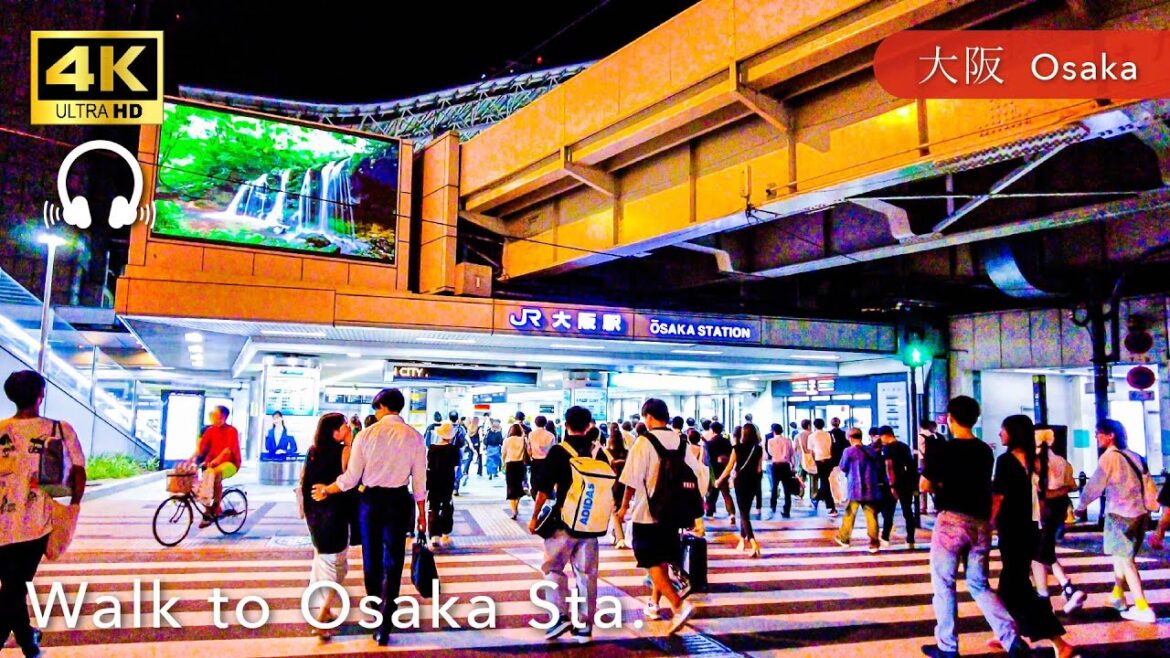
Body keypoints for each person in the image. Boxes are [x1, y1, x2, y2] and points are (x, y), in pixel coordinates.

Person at [311, 388, 426, 647]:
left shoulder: (366, 434)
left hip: (371, 502)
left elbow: (351, 479)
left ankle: (375, 610)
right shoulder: (415, 437)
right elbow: (419, 479)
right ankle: (386, 623)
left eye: (377, 408)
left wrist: (328, 489)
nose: (376, 412)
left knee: (371, 559)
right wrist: (421, 513)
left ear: (383, 406)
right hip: (399, 501)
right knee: (394, 561)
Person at [920, 396, 1029, 658]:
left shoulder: (943, 450)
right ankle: (1011, 638)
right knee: (979, 584)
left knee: (944, 584)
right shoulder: (984, 450)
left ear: (950, 418)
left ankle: (947, 646)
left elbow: (924, 485)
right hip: (980, 523)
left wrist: (939, 486)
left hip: (951, 522)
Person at [0, 370, 86, 658]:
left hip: (0, 522)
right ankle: (29, 644)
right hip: (36, 521)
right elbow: (78, 473)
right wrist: (72, 506)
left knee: (12, 586)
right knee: (15, 587)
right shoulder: (58, 429)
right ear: (41, 395)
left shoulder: (0, 429)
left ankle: (28, 640)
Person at [991, 416, 1077, 658]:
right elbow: (1042, 496)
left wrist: (987, 525)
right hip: (1030, 528)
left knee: (1015, 588)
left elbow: (998, 497)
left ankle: (1059, 643)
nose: (1000, 434)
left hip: (1011, 529)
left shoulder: (1005, 461)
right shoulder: (1034, 462)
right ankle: (1008, 634)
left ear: (1013, 433)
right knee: (1012, 584)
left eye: (1003, 429)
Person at [616, 398, 702, 635]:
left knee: (650, 560)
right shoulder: (681, 441)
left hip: (647, 513)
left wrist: (623, 509)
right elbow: (697, 475)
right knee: (662, 559)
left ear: (650, 417)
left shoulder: (644, 442)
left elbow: (631, 480)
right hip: (673, 514)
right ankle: (653, 604)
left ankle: (678, 605)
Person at [529, 406, 610, 643]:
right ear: (589, 426)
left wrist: (534, 518)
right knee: (587, 575)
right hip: (591, 524)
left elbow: (543, 489)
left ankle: (560, 616)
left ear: (566, 425)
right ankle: (584, 628)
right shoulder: (598, 452)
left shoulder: (559, 451)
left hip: (563, 522)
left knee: (553, 568)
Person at [1074, 418, 1157, 624]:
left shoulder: (1109, 457)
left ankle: (1142, 607)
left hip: (1120, 514)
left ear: (1110, 435)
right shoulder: (1135, 456)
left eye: (1098, 433)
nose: (1095, 436)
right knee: (1120, 557)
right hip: (1140, 514)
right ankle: (1117, 595)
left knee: (1126, 561)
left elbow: (1094, 486)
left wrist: (1080, 507)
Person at [300, 412, 358, 638]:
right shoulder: (345, 452)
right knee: (336, 565)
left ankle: (323, 610)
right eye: (345, 426)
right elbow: (351, 481)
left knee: (326, 563)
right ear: (335, 431)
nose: (348, 429)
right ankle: (322, 615)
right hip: (336, 516)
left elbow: (304, 482)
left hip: (316, 517)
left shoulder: (312, 452)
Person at [1032, 432, 1086, 613]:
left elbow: (1036, 491)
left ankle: (1044, 599)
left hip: (1041, 511)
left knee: (1038, 553)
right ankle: (1068, 588)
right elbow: (1072, 485)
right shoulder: (1062, 461)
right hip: (1058, 510)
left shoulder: (1035, 462)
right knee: (1045, 551)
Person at [714, 422, 764, 557]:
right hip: (753, 482)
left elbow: (730, 466)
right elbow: (759, 469)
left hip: (741, 482)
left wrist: (719, 480)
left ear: (743, 434)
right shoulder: (758, 449)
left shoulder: (737, 448)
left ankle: (753, 542)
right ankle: (742, 540)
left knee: (743, 513)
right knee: (745, 511)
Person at [189, 405, 242, 528]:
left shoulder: (231, 431)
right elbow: (200, 449)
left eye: (215, 414)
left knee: (215, 474)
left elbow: (228, 451)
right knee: (204, 486)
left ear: (222, 416)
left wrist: (216, 461)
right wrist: (190, 459)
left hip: (230, 464)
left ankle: (215, 507)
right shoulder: (210, 430)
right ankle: (210, 509)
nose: (212, 416)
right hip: (211, 464)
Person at [833, 428, 882, 554]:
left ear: (850, 438)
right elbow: (877, 466)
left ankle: (844, 538)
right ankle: (874, 543)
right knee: (871, 515)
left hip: (854, 487)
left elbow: (843, 467)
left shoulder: (848, 451)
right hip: (870, 487)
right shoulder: (871, 450)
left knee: (850, 514)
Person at [876, 425, 917, 549]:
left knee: (889, 512)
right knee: (908, 511)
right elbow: (911, 466)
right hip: (907, 483)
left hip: (893, 483)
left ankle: (885, 537)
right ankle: (910, 539)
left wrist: (892, 485)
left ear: (885, 435)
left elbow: (889, 467)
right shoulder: (904, 446)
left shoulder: (887, 449)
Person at [427, 421, 461, 549]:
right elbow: (456, 466)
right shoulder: (453, 449)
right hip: (447, 481)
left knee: (433, 506)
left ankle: (434, 535)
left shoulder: (432, 448)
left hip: (433, 481)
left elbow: (429, 466)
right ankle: (445, 531)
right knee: (447, 505)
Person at [704, 422, 735, 523]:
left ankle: (710, 513)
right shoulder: (726, 441)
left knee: (711, 494)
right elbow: (731, 454)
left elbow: (708, 460)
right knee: (726, 494)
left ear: (712, 430)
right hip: (724, 470)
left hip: (713, 471)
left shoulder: (710, 443)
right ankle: (731, 514)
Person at [766, 423, 797, 518]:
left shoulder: (770, 441)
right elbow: (792, 454)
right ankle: (787, 509)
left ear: (773, 431)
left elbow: (770, 452)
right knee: (787, 489)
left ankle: (773, 506)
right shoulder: (788, 441)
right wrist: (793, 465)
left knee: (774, 487)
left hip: (775, 465)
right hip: (785, 466)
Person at [607, 428, 630, 549]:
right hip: (624, 483)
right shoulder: (627, 452)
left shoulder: (607, 452)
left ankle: (620, 536)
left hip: (612, 483)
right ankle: (617, 533)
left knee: (614, 509)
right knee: (619, 508)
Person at [809, 418, 836, 516]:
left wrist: (814, 461)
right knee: (825, 482)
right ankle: (828, 505)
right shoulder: (828, 434)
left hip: (819, 460)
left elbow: (811, 451)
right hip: (828, 460)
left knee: (824, 482)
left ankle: (828, 505)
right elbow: (831, 447)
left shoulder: (811, 436)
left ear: (814, 425)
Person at [503, 423, 528, 519]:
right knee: (518, 487)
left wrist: (503, 463)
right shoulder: (523, 439)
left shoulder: (507, 440)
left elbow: (503, 453)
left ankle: (514, 511)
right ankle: (516, 508)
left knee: (511, 487)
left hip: (510, 465)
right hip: (520, 465)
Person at [528, 416, 556, 497]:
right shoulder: (551, 435)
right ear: (545, 423)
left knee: (534, 483)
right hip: (547, 462)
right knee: (546, 484)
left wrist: (531, 456)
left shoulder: (531, 434)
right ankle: (545, 501)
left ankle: (536, 499)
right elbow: (553, 450)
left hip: (535, 461)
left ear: (535, 423)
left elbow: (529, 449)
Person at [795, 419, 817, 502]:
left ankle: (800, 494)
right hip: (812, 459)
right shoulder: (813, 435)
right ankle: (814, 495)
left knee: (801, 477)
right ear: (809, 426)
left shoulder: (798, 436)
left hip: (801, 460)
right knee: (814, 478)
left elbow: (795, 448)